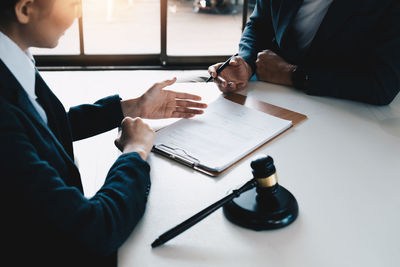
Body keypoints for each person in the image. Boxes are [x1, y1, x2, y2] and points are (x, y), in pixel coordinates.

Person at [0, 0, 206, 266]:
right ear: (25, 9)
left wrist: (133, 107)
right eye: (73, 3)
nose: (80, 11)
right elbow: (97, 229)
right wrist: (135, 152)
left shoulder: (12, 61)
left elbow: (41, 127)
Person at [208, 0, 400, 105]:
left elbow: (382, 85)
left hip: (343, 109)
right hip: (274, 99)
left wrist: (291, 74)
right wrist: (247, 63)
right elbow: (259, 24)